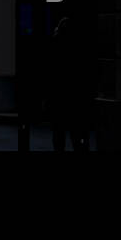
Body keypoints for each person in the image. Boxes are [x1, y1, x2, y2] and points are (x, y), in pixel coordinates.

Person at [46, 17, 90, 150]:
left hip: (58, 98)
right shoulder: (79, 48)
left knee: (59, 133)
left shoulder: (54, 45)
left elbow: (49, 74)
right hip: (75, 98)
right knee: (77, 134)